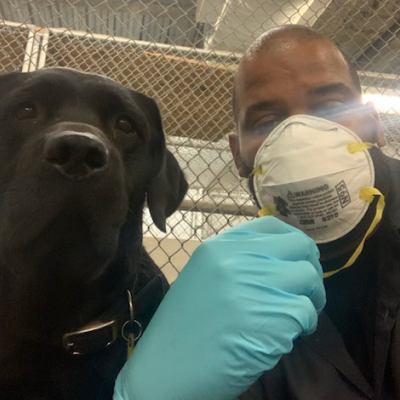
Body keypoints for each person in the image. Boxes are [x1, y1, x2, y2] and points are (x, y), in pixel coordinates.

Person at [114, 25, 400, 400]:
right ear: (238, 155)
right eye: (267, 122)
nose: (303, 138)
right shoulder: (226, 311)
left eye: (331, 106)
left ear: (374, 124)